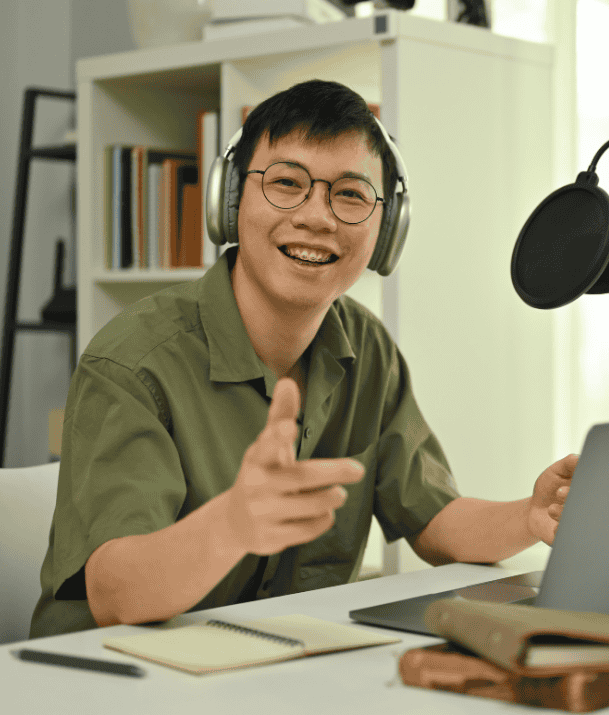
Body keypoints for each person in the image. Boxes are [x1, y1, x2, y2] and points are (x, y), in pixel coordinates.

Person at [29, 79, 576, 639]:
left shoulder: (367, 349)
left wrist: (528, 517)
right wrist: (233, 524)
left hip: (271, 668)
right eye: (287, 183)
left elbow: (435, 520)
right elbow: (116, 594)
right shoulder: (132, 363)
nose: (318, 216)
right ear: (231, 200)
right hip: (107, 677)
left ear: (387, 229)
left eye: (351, 194)